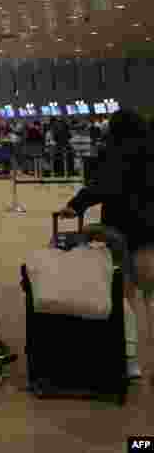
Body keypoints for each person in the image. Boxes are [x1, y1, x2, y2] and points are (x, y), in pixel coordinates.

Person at [59, 108, 154, 381]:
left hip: (121, 234)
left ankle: (131, 361)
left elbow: (102, 186)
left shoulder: (114, 153)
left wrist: (75, 206)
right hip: (151, 234)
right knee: (152, 298)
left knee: (126, 300)